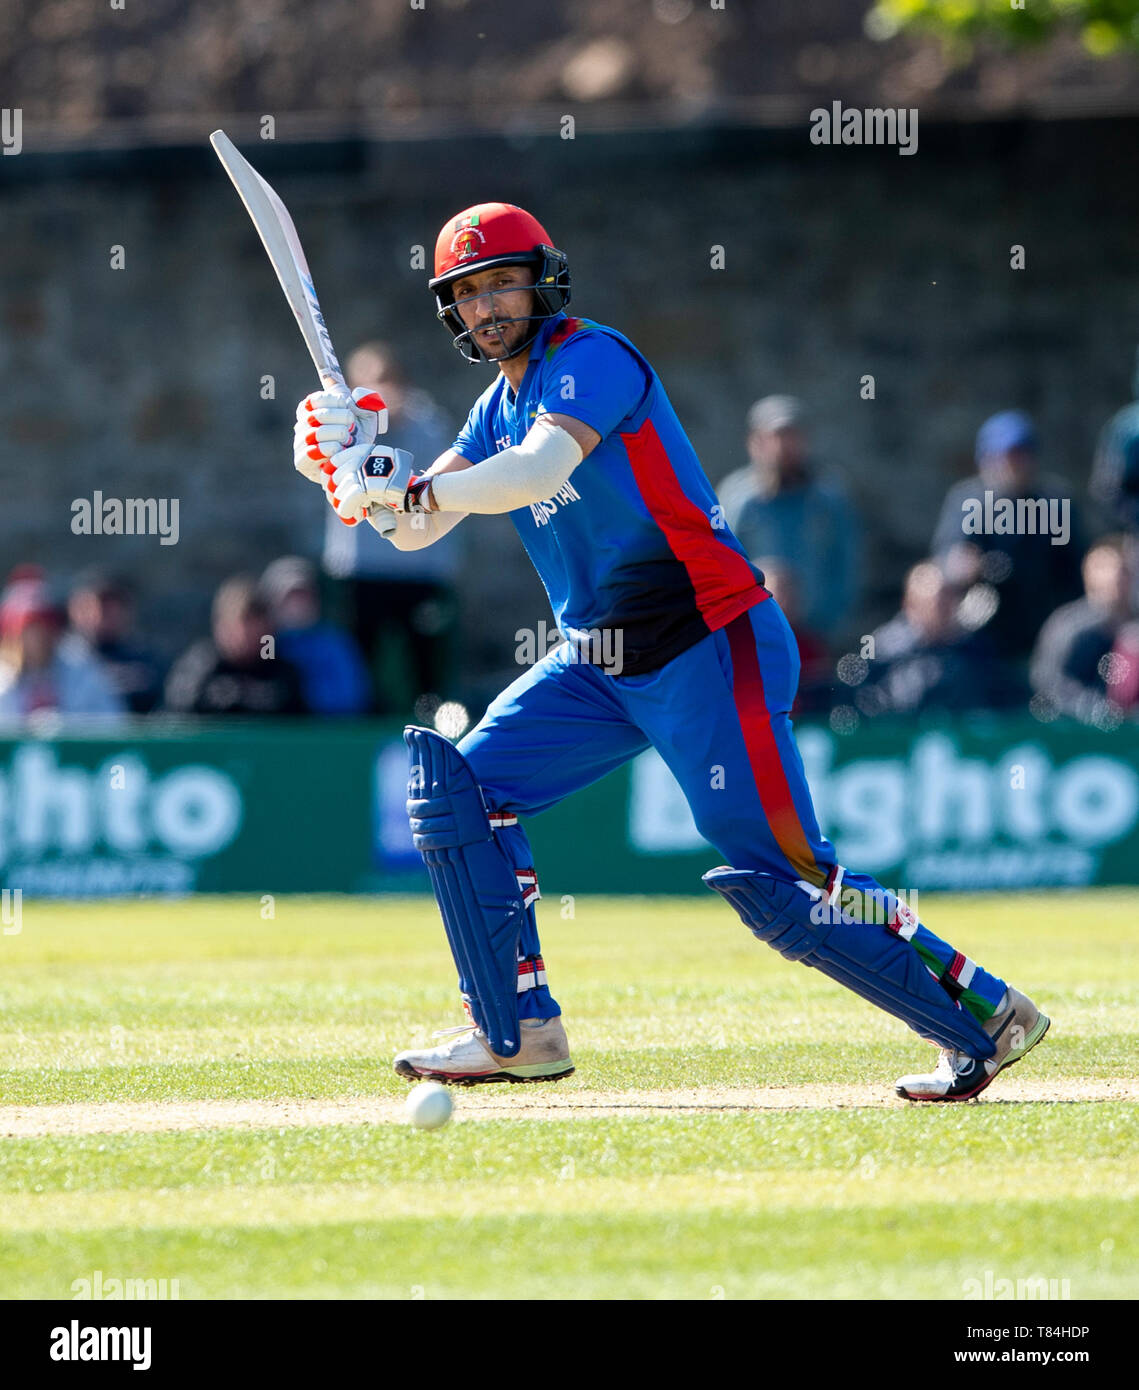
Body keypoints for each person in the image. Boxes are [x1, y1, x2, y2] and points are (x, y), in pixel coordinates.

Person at [291, 202, 1049, 1103]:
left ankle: (985, 1014)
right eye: (468, 294)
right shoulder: (493, 409)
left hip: (706, 639)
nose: (489, 306)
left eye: (502, 283)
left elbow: (535, 473)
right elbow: (419, 527)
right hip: (598, 664)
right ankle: (518, 1028)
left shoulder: (592, 358)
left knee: (784, 876)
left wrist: (402, 483)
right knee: (460, 790)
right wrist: (348, 475)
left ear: (542, 281)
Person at [320, 341, 461, 713]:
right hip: (361, 570)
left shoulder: (429, 422)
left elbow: (440, 474)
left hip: (420, 568)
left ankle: (434, 726)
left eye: (385, 380)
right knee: (358, 662)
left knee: (427, 666)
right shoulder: (343, 424)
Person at [931, 410, 1083, 662]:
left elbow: (1076, 573)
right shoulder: (968, 502)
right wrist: (960, 566)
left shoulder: (1055, 504)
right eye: (1003, 456)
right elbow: (945, 560)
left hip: (1044, 630)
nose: (1012, 465)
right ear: (985, 460)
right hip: (983, 633)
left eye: (1020, 455)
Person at [716, 396, 859, 640]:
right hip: (754, 631)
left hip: (817, 635)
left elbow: (846, 564)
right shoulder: (737, 500)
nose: (785, 446)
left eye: (792, 436)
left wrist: (828, 621)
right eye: (777, 436)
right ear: (756, 442)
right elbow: (721, 565)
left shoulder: (826, 500)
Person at [858, 561, 1021, 716]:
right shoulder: (881, 649)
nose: (942, 612)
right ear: (909, 604)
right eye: (935, 604)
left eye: (948, 602)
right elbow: (864, 699)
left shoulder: (977, 648)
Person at [164, 574, 306, 716]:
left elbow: (295, 718)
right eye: (243, 621)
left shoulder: (281, 673)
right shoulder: (200, 666)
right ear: (221, 626)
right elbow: (180, 715)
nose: (250, 633)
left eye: (257, 623)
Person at [1029, 537, 1134, 725]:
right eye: (1104, 568)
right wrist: (1100, 711)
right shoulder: (1069, 626)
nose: (1114, 577)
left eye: (1123, 570)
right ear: (1087, 572)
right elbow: (1049, 683)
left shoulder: (1133, 626)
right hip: (1077, 733)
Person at [0, 572, 124, 721]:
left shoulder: (82, 667)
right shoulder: (4, 677)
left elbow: (112, 722)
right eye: (29, 630)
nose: (40, 638)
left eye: (46, 627)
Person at [260, 556, 370, 716]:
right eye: (290, 596)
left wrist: (302, 702)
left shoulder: (335, 641)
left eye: (303, 596)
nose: (297, 604)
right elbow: (262, 682)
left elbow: (351, 696)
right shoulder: (266, 641)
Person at [61, 569, 164, 714]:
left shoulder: (149, 662)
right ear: (73, 609)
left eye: (109, 608)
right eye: (90, 607)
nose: (98, 615)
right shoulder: (60, 662)